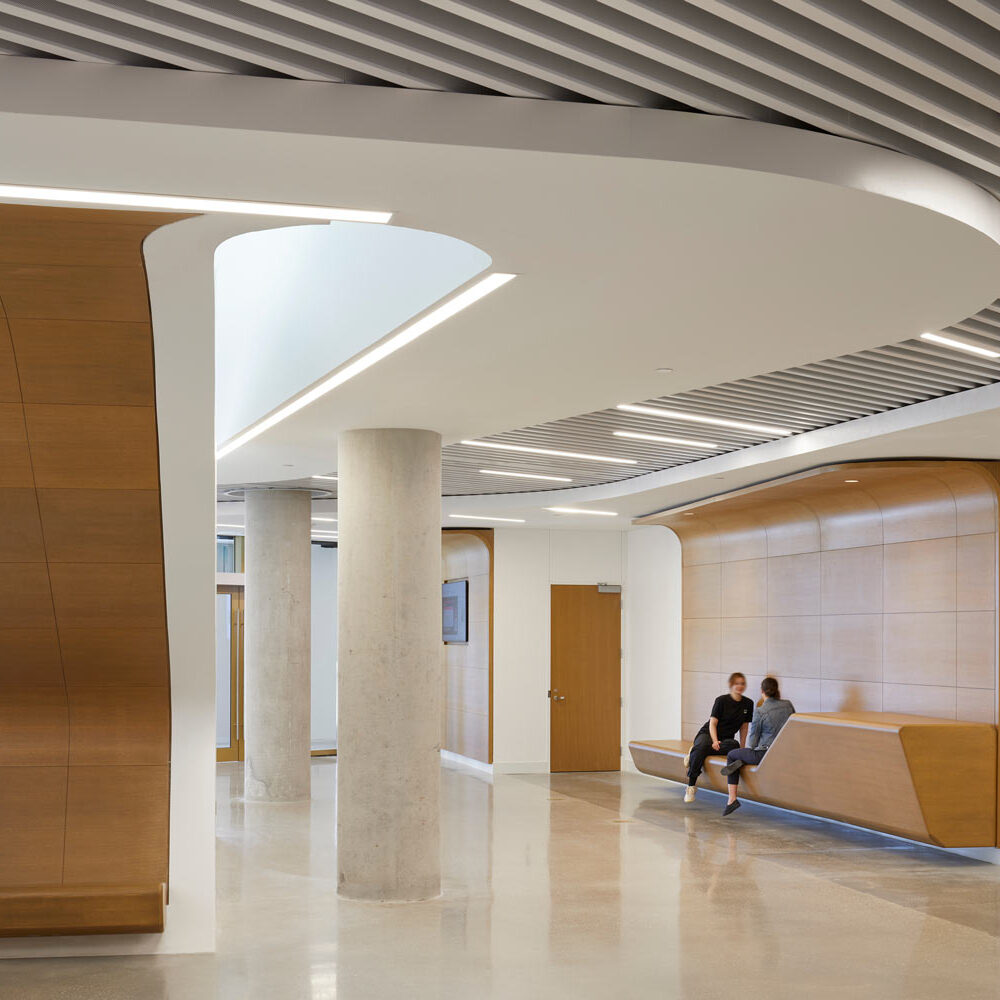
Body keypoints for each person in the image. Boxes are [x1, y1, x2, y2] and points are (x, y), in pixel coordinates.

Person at [720, 676, 795, 816]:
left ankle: (732, 799)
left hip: (764, 754)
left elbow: (752, 743)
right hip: (784, 752)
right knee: (742, 755)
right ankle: (740, 762)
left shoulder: (760, 711)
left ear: (762, 691)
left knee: (732, 755)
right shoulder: (788, 705)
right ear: (777, 690)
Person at [682, 672, 754, 803]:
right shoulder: (721, 700)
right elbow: (712, 723)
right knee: (702, 747)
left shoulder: (748, 704)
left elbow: (744, 728)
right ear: (731, 685)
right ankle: (691, 786)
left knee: (735, 746)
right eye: (737, 683)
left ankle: (694, 752)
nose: (740, 686)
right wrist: (714, 741)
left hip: (726, 740)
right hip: (708, 734)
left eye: (742, 683)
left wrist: (742, 748)